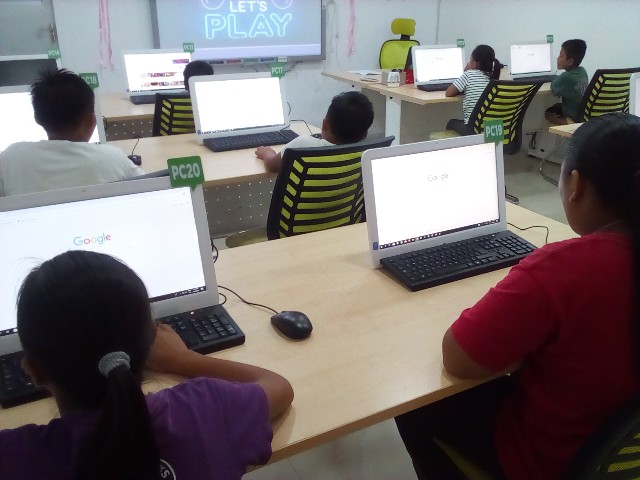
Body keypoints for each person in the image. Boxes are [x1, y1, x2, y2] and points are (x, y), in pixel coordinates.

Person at [396, 112, 640, 480]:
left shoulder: (566, 268)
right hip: (619, 459)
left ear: (575, 184)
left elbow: (459, 359)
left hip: (549, 461)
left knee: (414, 400)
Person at [0, 250, 294, 480]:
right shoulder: (205, 408)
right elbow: (279, 388)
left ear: (33, 370)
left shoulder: (15, 458)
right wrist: (183, 359)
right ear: (151, 339)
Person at [0, 69, 144, 197]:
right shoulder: (113, 159)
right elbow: (149, 188)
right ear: (92, 120)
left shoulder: (11, 157)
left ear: (37, 118)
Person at [255, 91, 374, 173]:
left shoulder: (304, 144)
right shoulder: (365, 155)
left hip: (300, 205)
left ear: (325, 124)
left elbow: (272, 166)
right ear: (365, 135)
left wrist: (266, 152)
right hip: (343, 204)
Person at [444, 45, 503, 136]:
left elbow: (448, 93)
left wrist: (465, 71)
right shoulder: (494, 77)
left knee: (451, 123)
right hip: (494, 132)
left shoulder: (469, 74)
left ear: (474, 63)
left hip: (474, 130)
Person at [545, 39, 588, 125]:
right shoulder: (582, 71)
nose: (557, 58)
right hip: (583, 112)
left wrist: (555, 79)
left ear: (570, 61)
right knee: (557, 106)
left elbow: (553, 88)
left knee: (548, 114)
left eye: (560, 56)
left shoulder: (566, 77)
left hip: (574, 115)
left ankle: (570, 123)